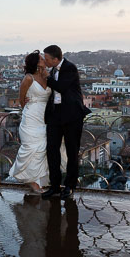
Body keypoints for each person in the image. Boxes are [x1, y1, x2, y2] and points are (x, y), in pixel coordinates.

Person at [9, 51, 66, 193]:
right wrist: (30, 106)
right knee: (31, 148)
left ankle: (39, 179)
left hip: (45, 117)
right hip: (31, 118)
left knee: (43, 148)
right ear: (35, 62)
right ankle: (32, 181)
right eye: (41, 58)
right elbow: (21, 100)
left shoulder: (47, 76)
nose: (44, 60)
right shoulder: (28, 78)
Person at [41, 45, 92, 200]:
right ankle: (54, 186)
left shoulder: (70, 68)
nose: (45, 61)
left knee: (72, 151)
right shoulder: (53, 70)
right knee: (52, 151)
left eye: (47, 58)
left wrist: (46, 77)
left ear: (56, 58)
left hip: (72, 116)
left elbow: (61, 87)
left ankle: (69, 186)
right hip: (55, 115)